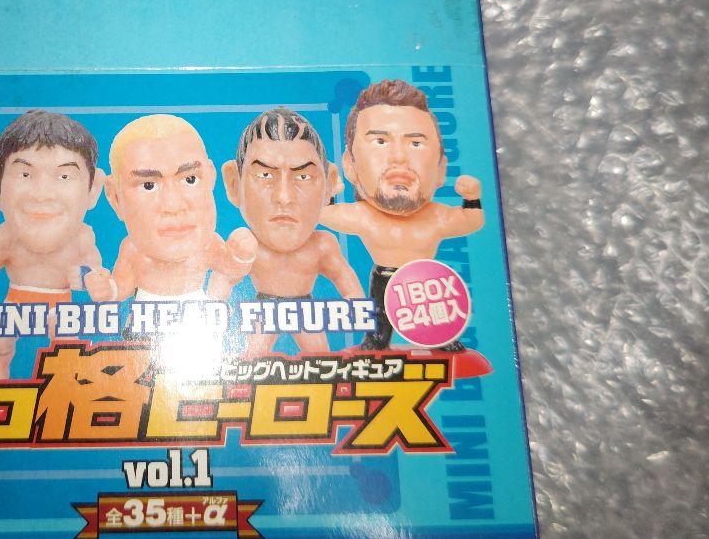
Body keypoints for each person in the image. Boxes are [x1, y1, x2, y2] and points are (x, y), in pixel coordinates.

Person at [320, 79, 484, 351]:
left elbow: (472, 221)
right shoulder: (365, 216)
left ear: (441, 170)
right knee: (379, 317)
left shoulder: (436, 217)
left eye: (415, 143)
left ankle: (443, 339)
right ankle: (376, 341)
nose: (399, 158)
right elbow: (326, 215)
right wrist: (330, 191)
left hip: (426, 281)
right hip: (384, 276)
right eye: (380, 141)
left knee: (435, 315)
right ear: (350, 166)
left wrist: (472, 198)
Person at [0, 110, 104, 378]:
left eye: (64, 176)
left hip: (59, 304)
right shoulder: (7, 234)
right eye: (25, 174)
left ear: (93, 189)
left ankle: (66, 382)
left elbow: (95, 271)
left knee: (67, 345)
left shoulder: (82, 237)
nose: (42, 195)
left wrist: (89, 278)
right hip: (17, 300)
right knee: (0, 344)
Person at [223, 107, 363, 356]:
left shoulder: (322, 246)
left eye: (303, 177)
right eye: (265, 174)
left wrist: (360, 308)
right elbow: (224, 278)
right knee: (252, 360)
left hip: (304, 309)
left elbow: (344, 277)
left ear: (329, 184)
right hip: (265, 310)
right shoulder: (247, 244)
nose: (284, 197)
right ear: (234, 184)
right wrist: (212, 306)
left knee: (321, 360)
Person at [84, 115, 256, 306]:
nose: (173, 206)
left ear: (210, 178)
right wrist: (107, 289)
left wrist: (240, 256)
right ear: (116, 198)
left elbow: (230, 270)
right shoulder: (132, 250)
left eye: (190, 179)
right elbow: (121, 286)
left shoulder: (208, 244)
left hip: (198, 313)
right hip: (143, 319)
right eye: (148, 185)